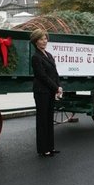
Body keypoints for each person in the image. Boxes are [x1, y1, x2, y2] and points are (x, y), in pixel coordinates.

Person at [30, 29, 62, 157]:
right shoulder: (35, 57)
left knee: (49, 119)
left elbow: (54, 73)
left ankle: (50, 146)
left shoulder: (48, 55)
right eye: (42, 39)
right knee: (42, 120)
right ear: (36, 41)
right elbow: (42, 76)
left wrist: (59, 86)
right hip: (41, 92)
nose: (45, 41)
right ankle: (43, 148)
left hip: (50, 91)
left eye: (45, 38)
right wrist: (56, 88)